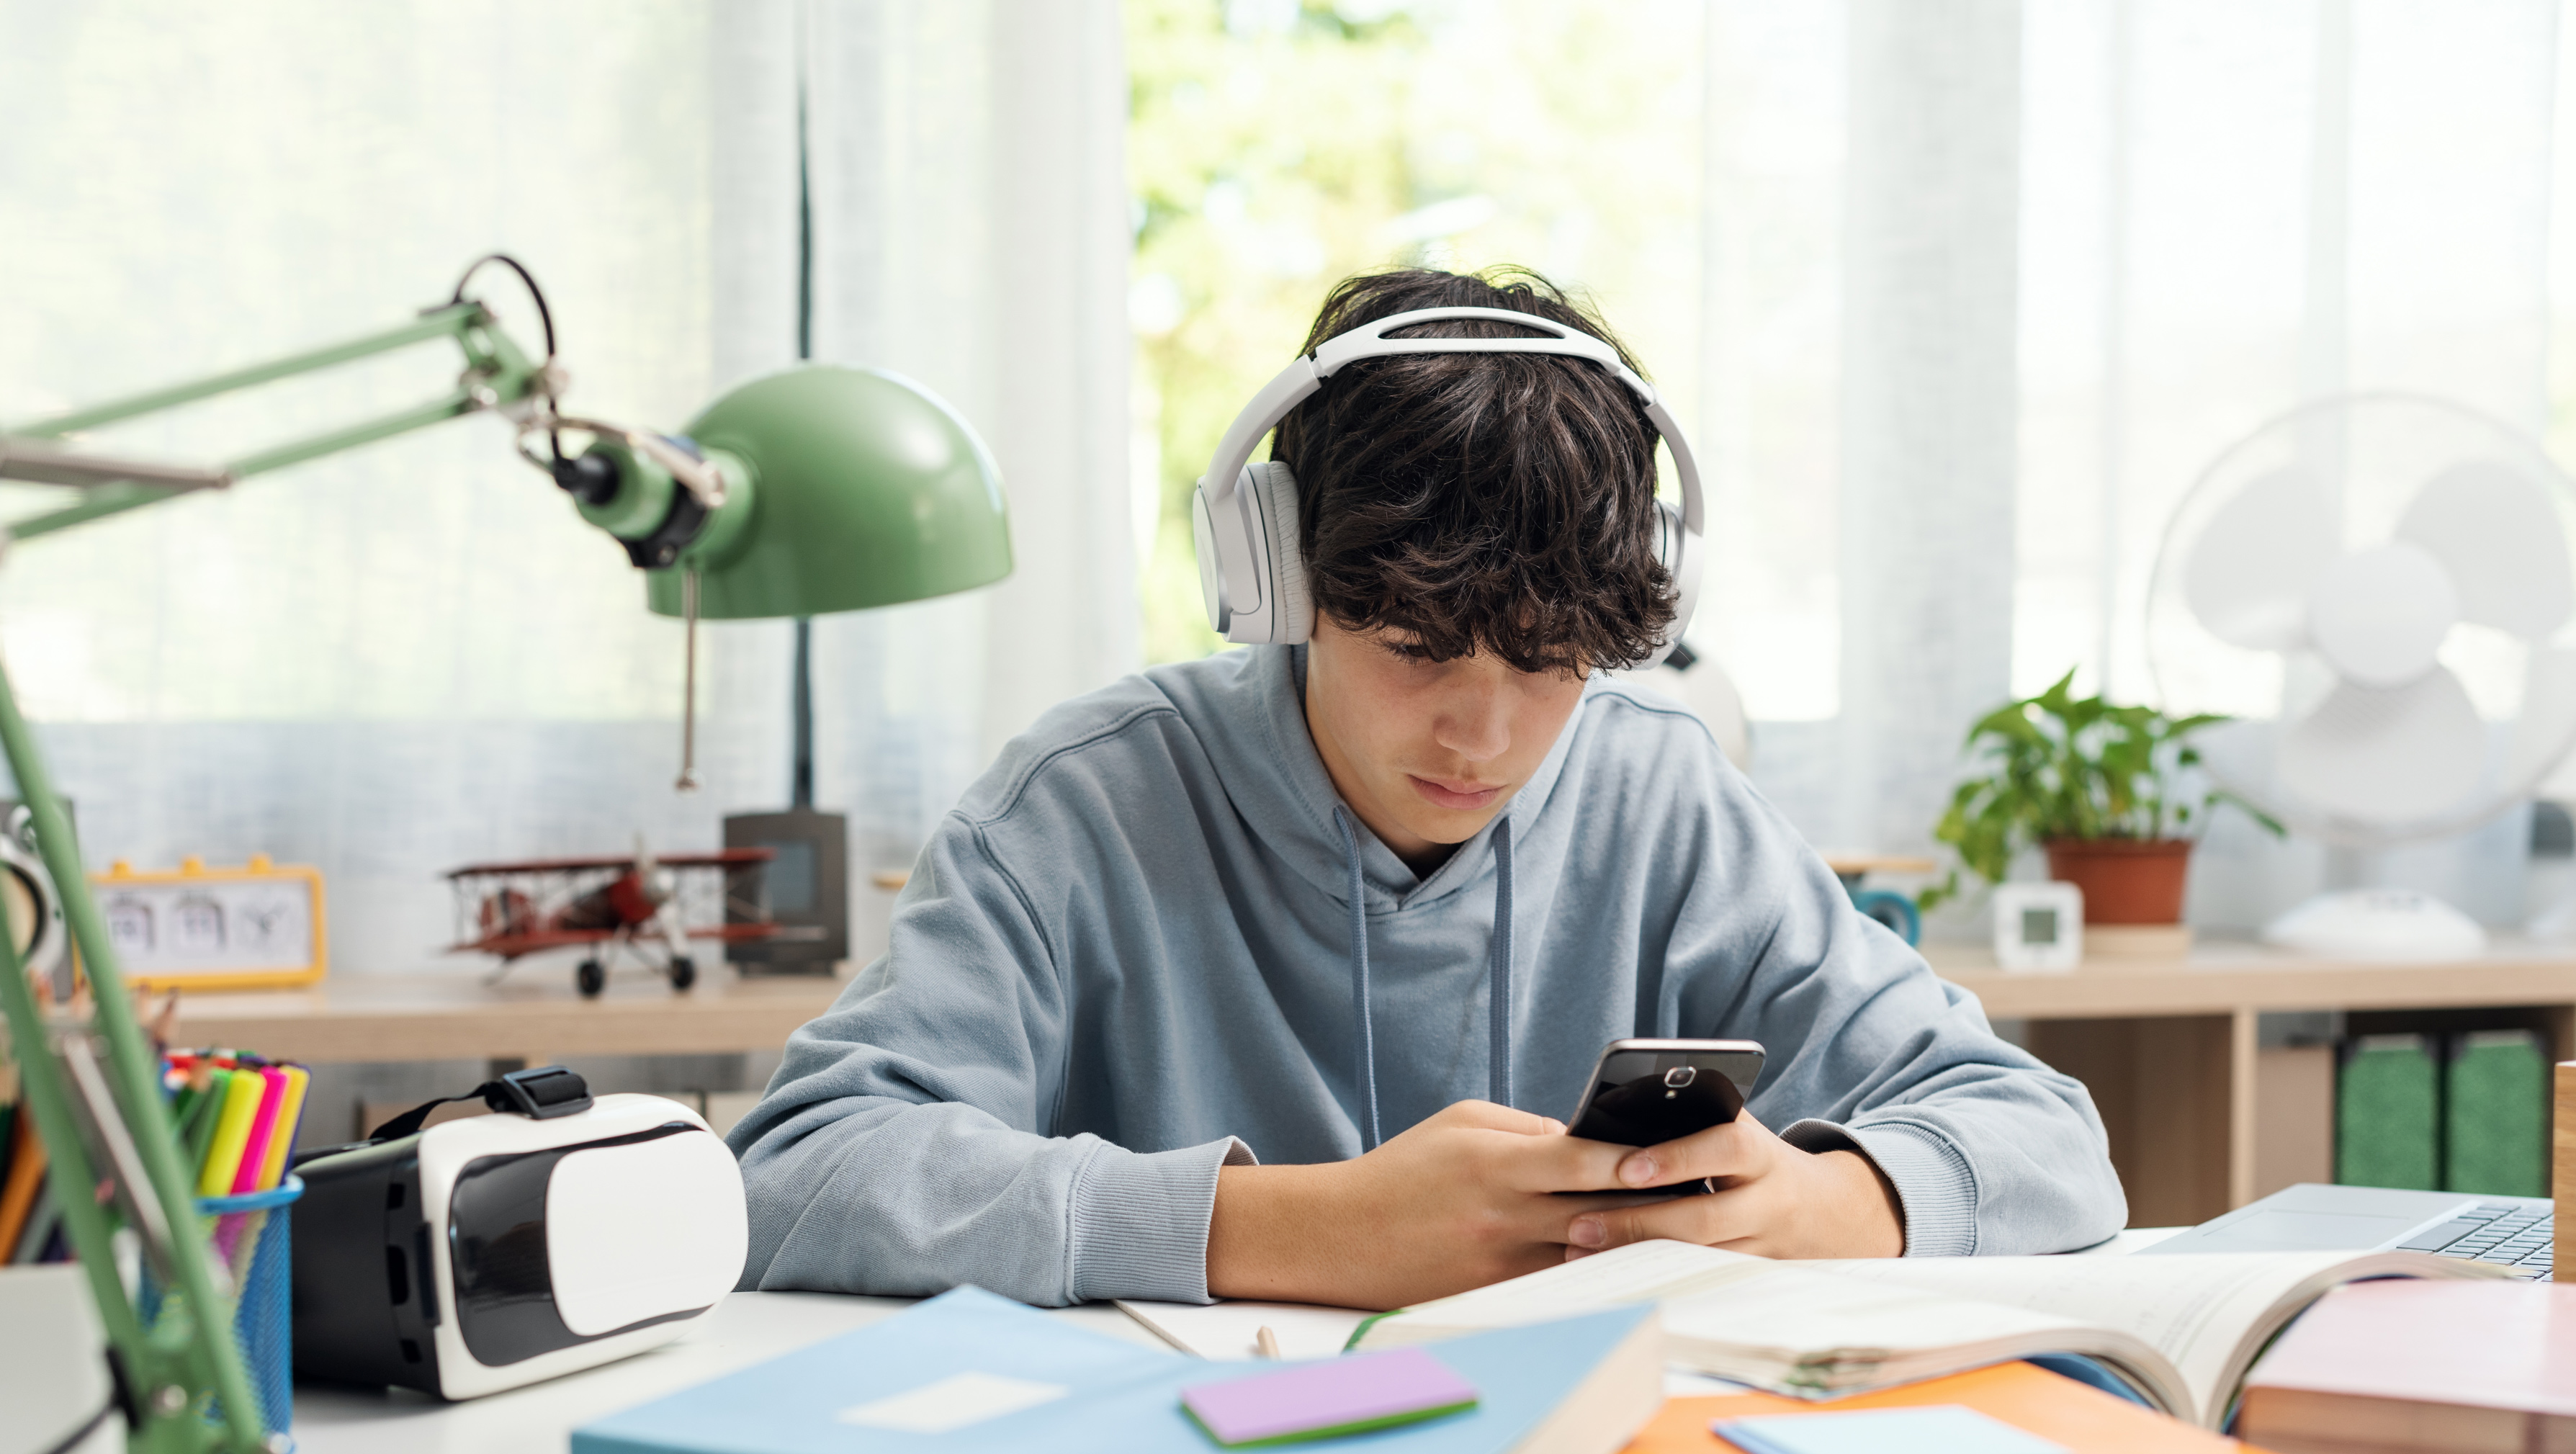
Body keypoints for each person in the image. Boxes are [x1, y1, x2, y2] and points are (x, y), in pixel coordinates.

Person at [730, 267, 2124, 1311]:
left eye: (1552, 662)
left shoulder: (1659, 796)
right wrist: (1291, 1227)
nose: (1487, 736)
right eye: (1415, 650)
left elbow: (2045, 1140)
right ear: (1276, 582)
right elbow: (797, 1173)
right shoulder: (1082, 804)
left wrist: (1818, 1203)